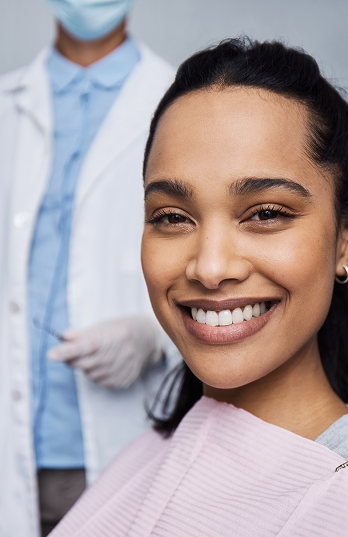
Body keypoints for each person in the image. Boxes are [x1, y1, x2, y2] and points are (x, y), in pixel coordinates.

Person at [50, 37, 348, 536]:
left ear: (342, 240)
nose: (209, 269)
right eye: (172, 217)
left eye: (267, 213)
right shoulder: (147, 453)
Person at [0, 1, 176, 535]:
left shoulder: (177, 103)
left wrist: (156, 336)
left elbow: (220, 262)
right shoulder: (8, 103)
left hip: (123, 448)